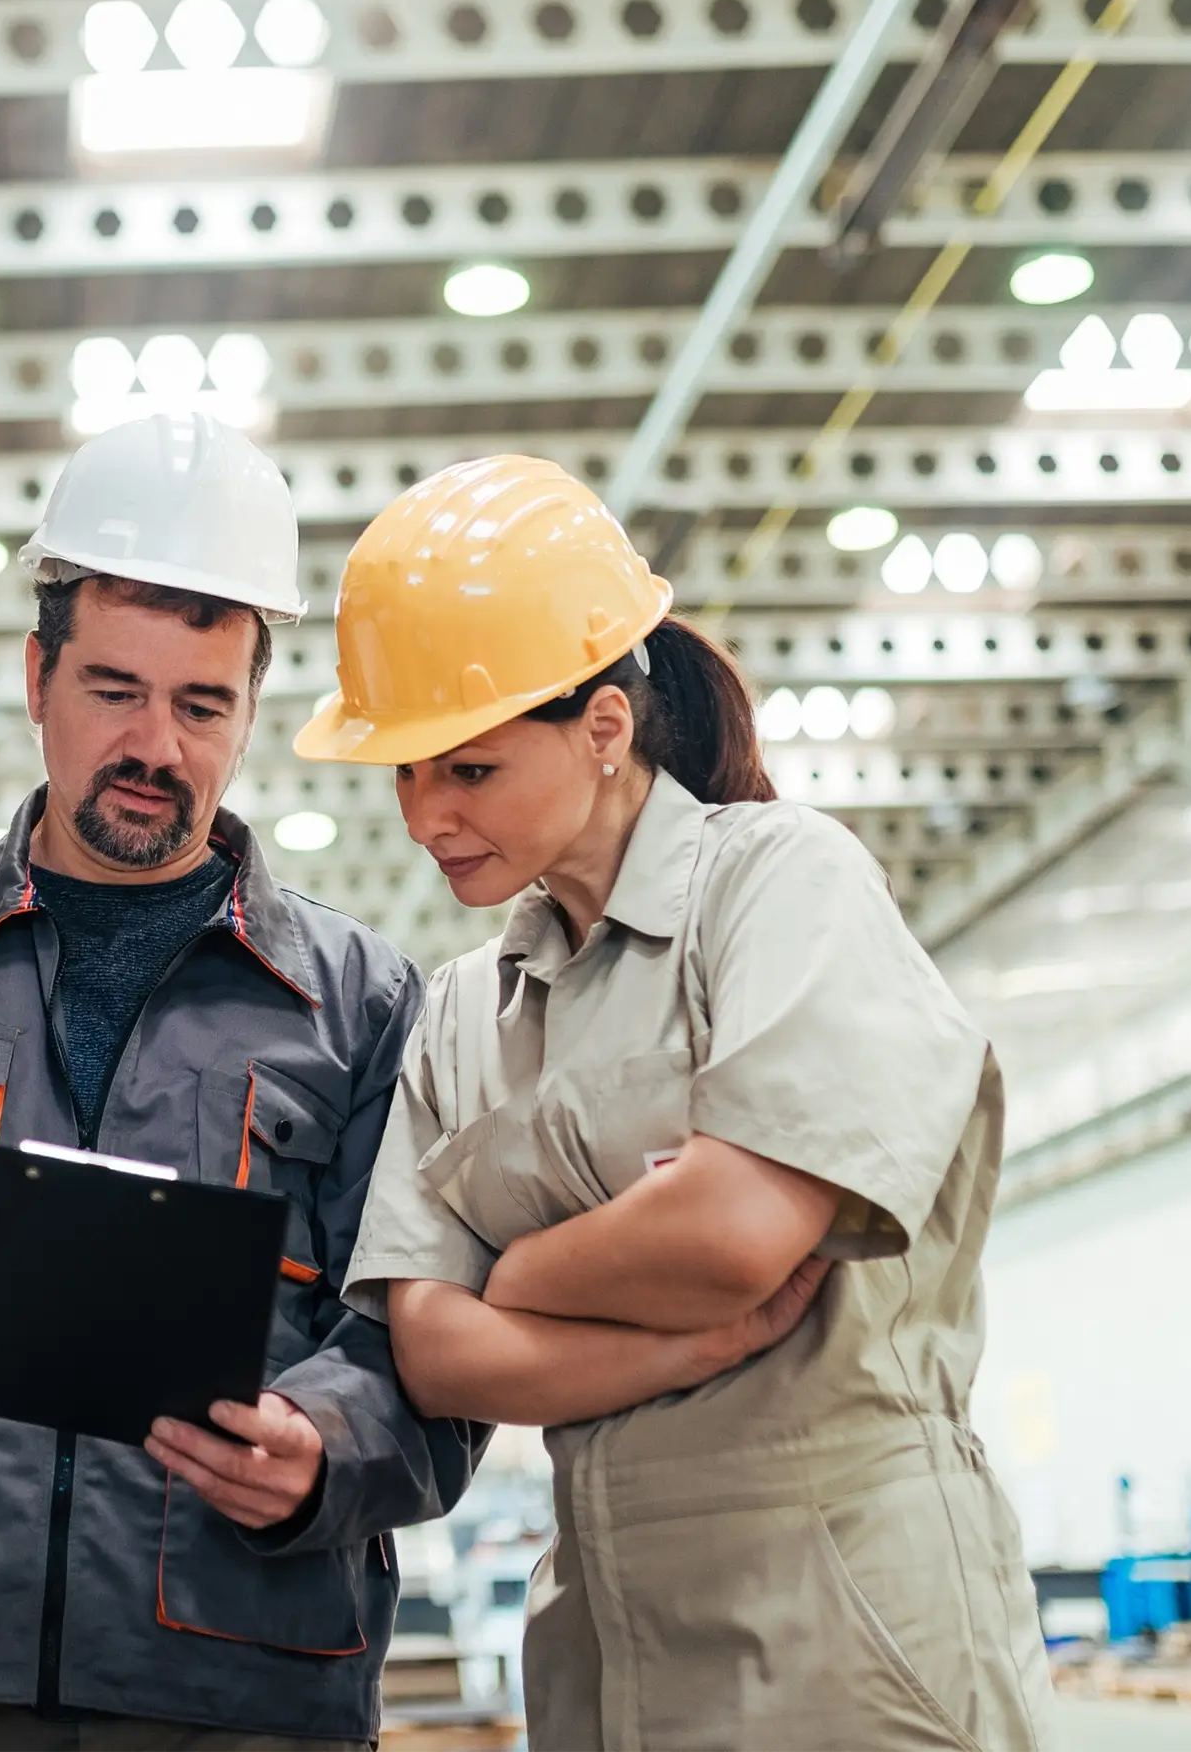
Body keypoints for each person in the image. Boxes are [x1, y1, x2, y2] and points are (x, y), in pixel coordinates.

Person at [0, 419, 799, 1750]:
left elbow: (425, 1350)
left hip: (247, 1690)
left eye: (202, 705)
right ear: (38, 678)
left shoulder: (373, 1005)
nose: (156, 744)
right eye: (113, 691)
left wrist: (325, 1449)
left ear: (253, 709)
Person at [296, 455, 1056, 1752]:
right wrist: (686, 1345)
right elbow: (434, 1354)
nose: (428, 816)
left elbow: (733, 1235)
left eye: (467, 770)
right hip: (604, 1641)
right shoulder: (464, 1011)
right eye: (406, 776)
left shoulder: (779, 888)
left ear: (603, 727)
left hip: (848, 1628)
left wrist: (517, 1277)